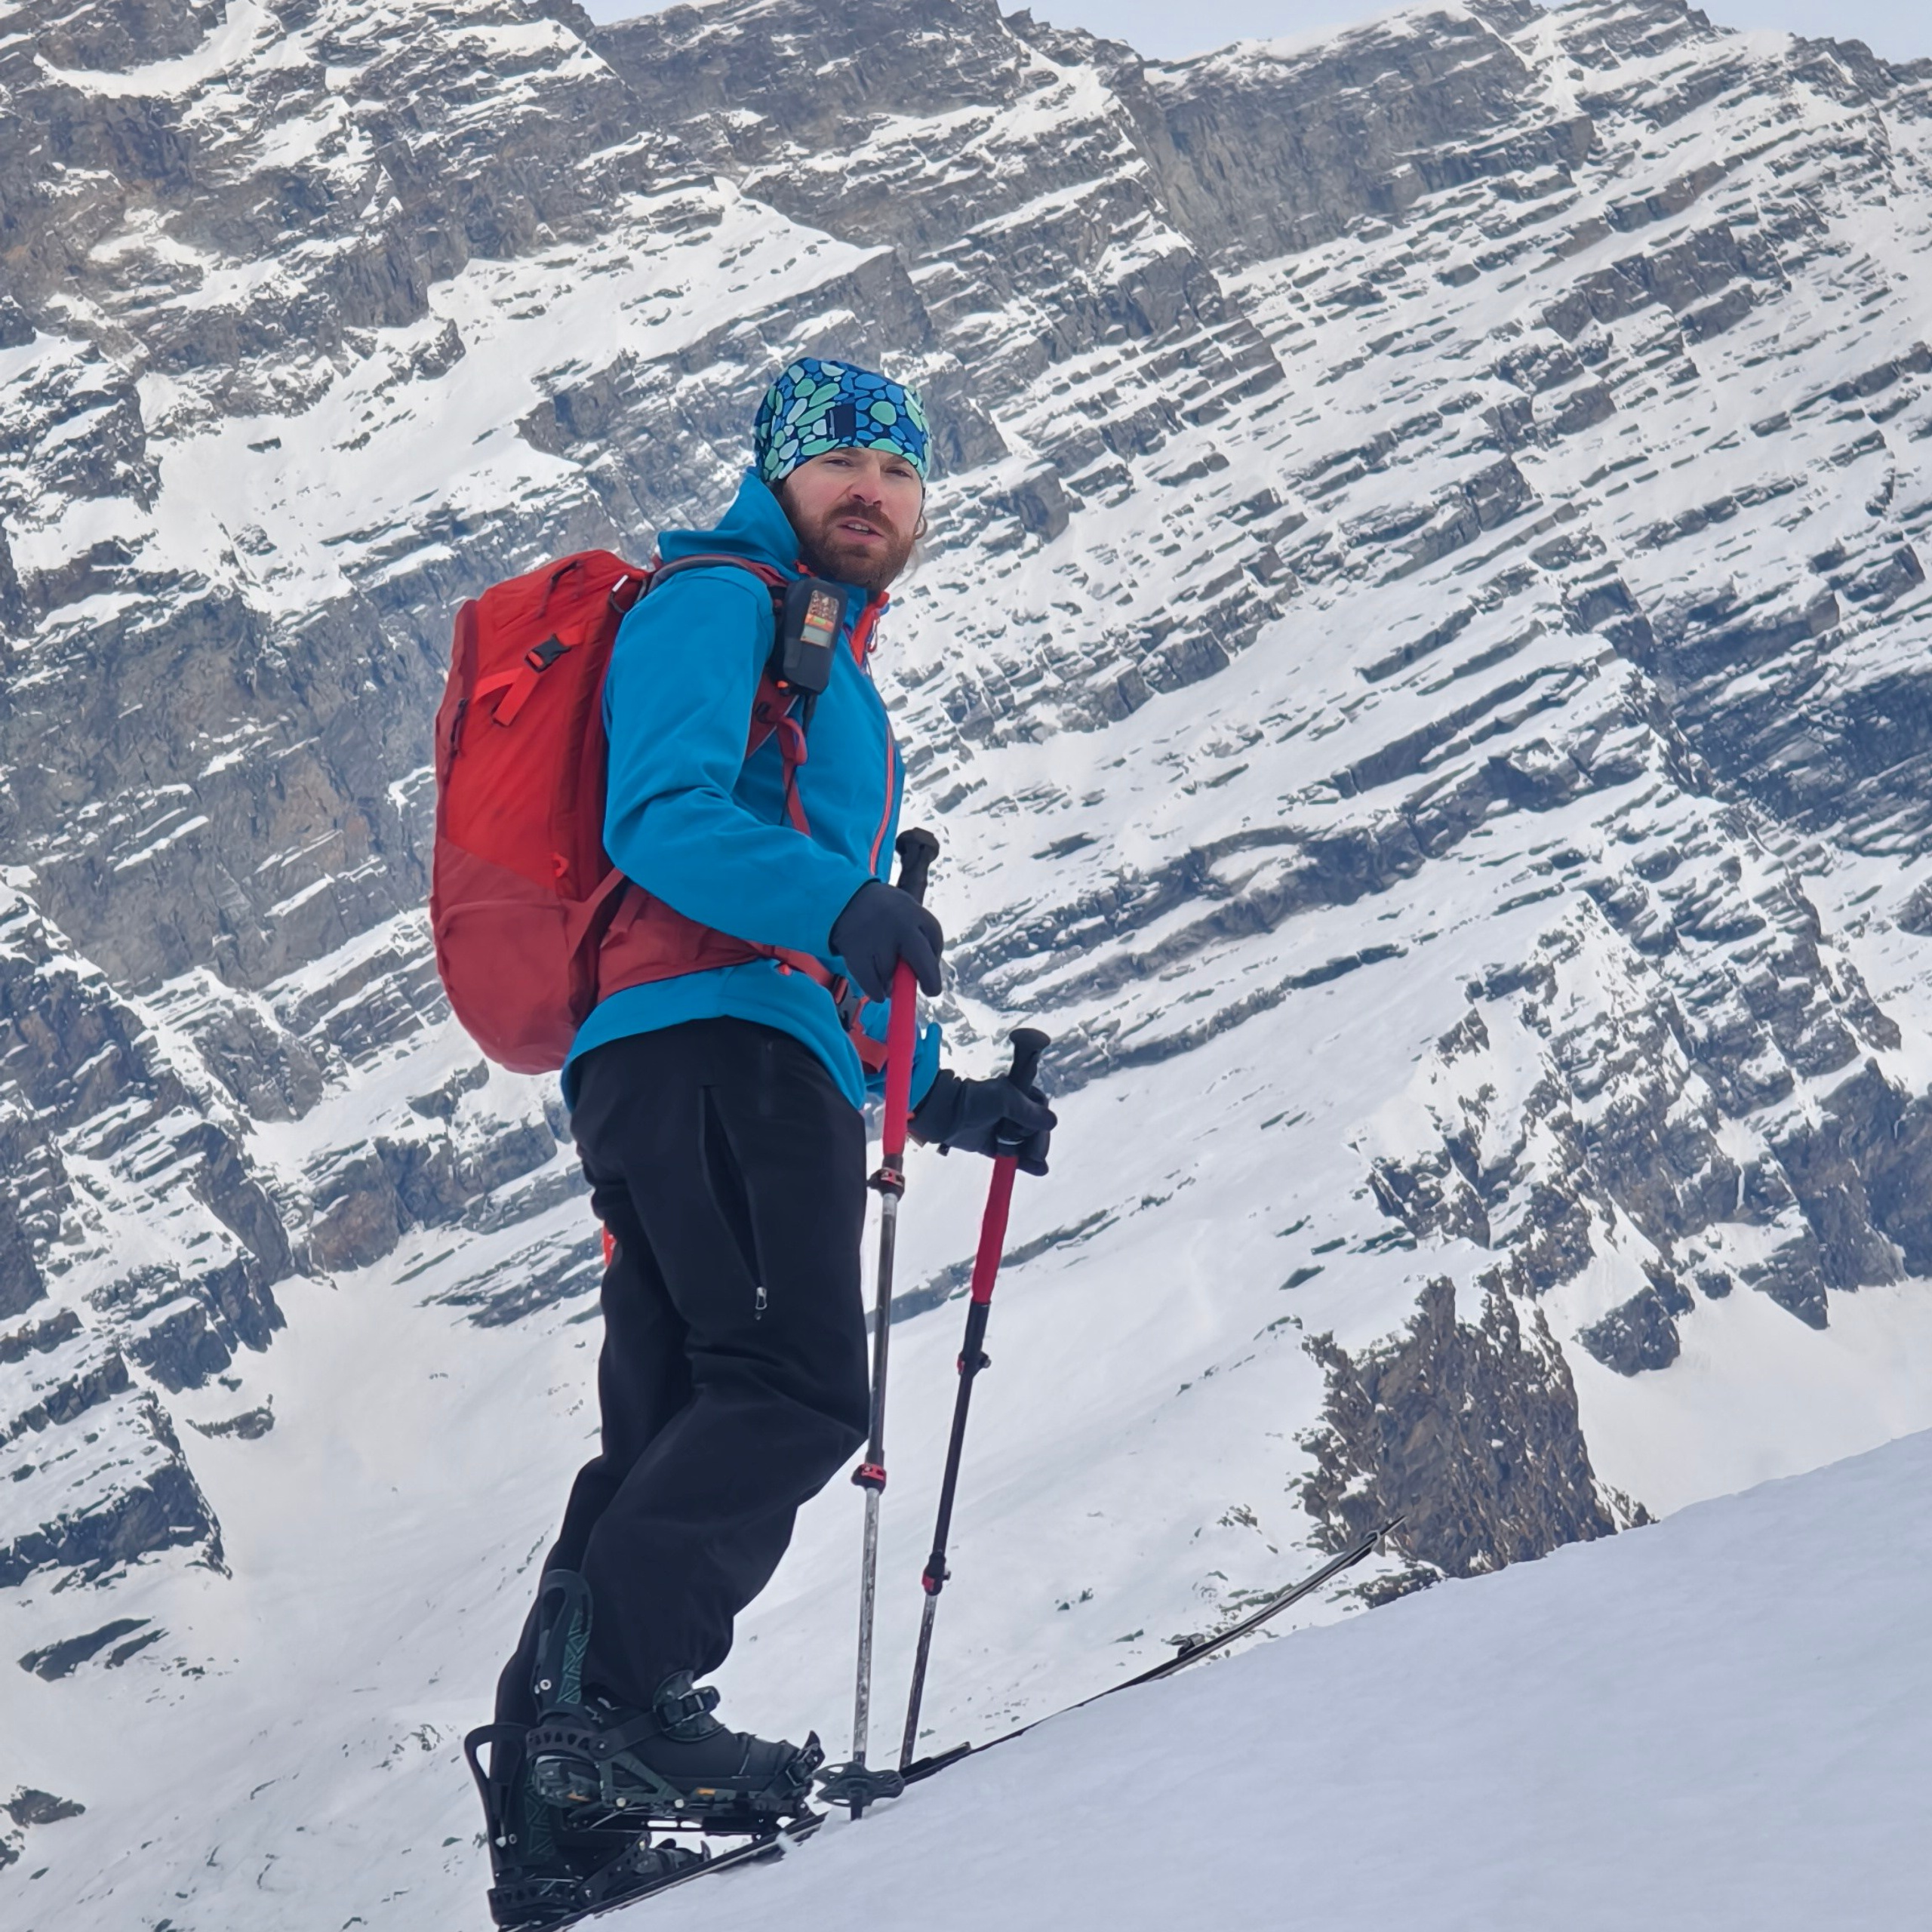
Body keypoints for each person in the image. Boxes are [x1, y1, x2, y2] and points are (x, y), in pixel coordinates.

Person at [475, 358, 1055, 1927]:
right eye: (836, 460)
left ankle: (556, 1812)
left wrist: (934, 1094)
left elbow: (812, 935)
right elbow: (657, 818)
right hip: (713, 1046)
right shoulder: (716, 598)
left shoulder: (820, 657)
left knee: (668, 1419)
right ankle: (624, 1711)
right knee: (797, 1384)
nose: (869, 488)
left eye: (897, 469)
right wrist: (841, 900)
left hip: (711, 1046)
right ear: (777, 476)